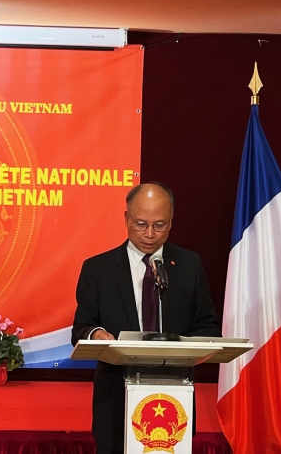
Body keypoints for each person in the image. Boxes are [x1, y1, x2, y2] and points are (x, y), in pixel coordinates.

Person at [71, 182, 221, 454]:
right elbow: (82, 328)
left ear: (171, 222)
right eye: (141, 224)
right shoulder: (98, 269)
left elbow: (208, 325)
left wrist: (185, 347)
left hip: (174, 400)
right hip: (116, 402)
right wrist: (96, 334)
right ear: (126, 218)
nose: (150, 234)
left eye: (159, 225)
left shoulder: (189, 265)